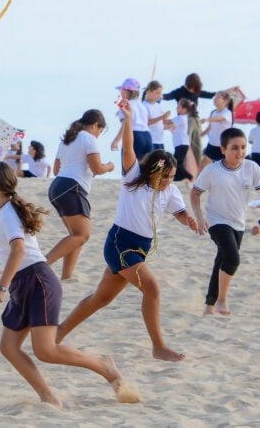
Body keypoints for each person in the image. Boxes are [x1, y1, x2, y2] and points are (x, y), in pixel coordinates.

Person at [0, 159, 140, 407]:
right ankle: (48, 398)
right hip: (25, 282)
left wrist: (1, 287)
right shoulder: (3, 208)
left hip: (37, 280)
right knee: (9, 347)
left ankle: (104, 365)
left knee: (46, 351)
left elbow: (18, 250)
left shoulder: (8, 214)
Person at [56, 103, 197, 362]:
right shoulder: (133, 178)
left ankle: (59, 331)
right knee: (152, 289)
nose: (167, 181)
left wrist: (188, 219)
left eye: (171, 177)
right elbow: (129, 147)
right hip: (120, 243)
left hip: (140, 248)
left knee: (101, 298)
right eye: (163, 176)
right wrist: (129, 119)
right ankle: (158, 346)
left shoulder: (171, 191)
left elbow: (179, 213)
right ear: (151, 170)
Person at [191, 128, 260, 315]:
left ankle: (209, 307)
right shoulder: (212, 171)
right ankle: (222, 301)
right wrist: (199, 216)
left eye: (243, 147)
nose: (240, 152)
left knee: (221, 261)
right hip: (216, 221)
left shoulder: (251, 168)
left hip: (238, 223)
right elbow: (195, 193)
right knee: (232, 259)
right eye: (235, 148)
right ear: (223, 150)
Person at [46, 109, 114, 280]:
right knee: (82, 235)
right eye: (100, 131)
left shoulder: (67, 140)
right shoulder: (89, 139)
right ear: (94, 125)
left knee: (76, 236)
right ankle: (42, 265)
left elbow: (56, 170)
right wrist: (110, 166)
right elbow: (97, 168)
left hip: (57, 187)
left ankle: (67, 276)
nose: (98, 135)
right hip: (72, 187)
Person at [162, 73, 216, 166]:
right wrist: (157, 95)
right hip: (184, 120)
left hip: (194, 120)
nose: (192, 89)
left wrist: (228, 91)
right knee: (185, 144)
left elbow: (210, 95)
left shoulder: (196, 91)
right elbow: (167, 96)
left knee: (196, 145)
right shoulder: (179, 91)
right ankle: (182, 167)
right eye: (191, 86)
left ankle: (195, 167)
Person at [110, 78, 151, 160]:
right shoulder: (142, 105)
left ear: (127, 91)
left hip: (134, 136)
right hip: (147, 137)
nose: (120, 92)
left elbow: (125, 125)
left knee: (130, 169)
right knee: (146, 169)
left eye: (121, 90)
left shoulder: (126, 105)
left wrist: (116, 141)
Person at [200, 91, 234, 170]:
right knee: (203, 165)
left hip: (224, 146)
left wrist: (207, 119)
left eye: (218, 97)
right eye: (215, 97)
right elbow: (210, 126)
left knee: (223, 169)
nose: (215, 99)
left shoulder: (228, 113)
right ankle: (197, 182)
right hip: (212, 144)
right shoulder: (213, 112)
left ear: (226, 101)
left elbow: (220, 118)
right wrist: (203, 133)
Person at [170, 98, 197, 182]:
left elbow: (167, 122)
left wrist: (162, 117)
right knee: (179, 162)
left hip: (182, 144)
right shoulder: (182, 118)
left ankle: (189, 176)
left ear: (184, 109)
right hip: (181, 144)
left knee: (175, 161)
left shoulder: (181, 118)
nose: (176, 108)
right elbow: (171, 126)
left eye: (178, 107)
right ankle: (179, 178)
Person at [142, 80, 171, 151]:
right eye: (157, 93)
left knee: (162, 162)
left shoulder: (158, 106)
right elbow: (147, 122)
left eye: (160, 93)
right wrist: (162, 117)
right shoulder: (144, 106)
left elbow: (161, 123)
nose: (159, 96)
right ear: (149, 91)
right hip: (150, 142)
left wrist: (171, 124)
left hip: (160, 141)